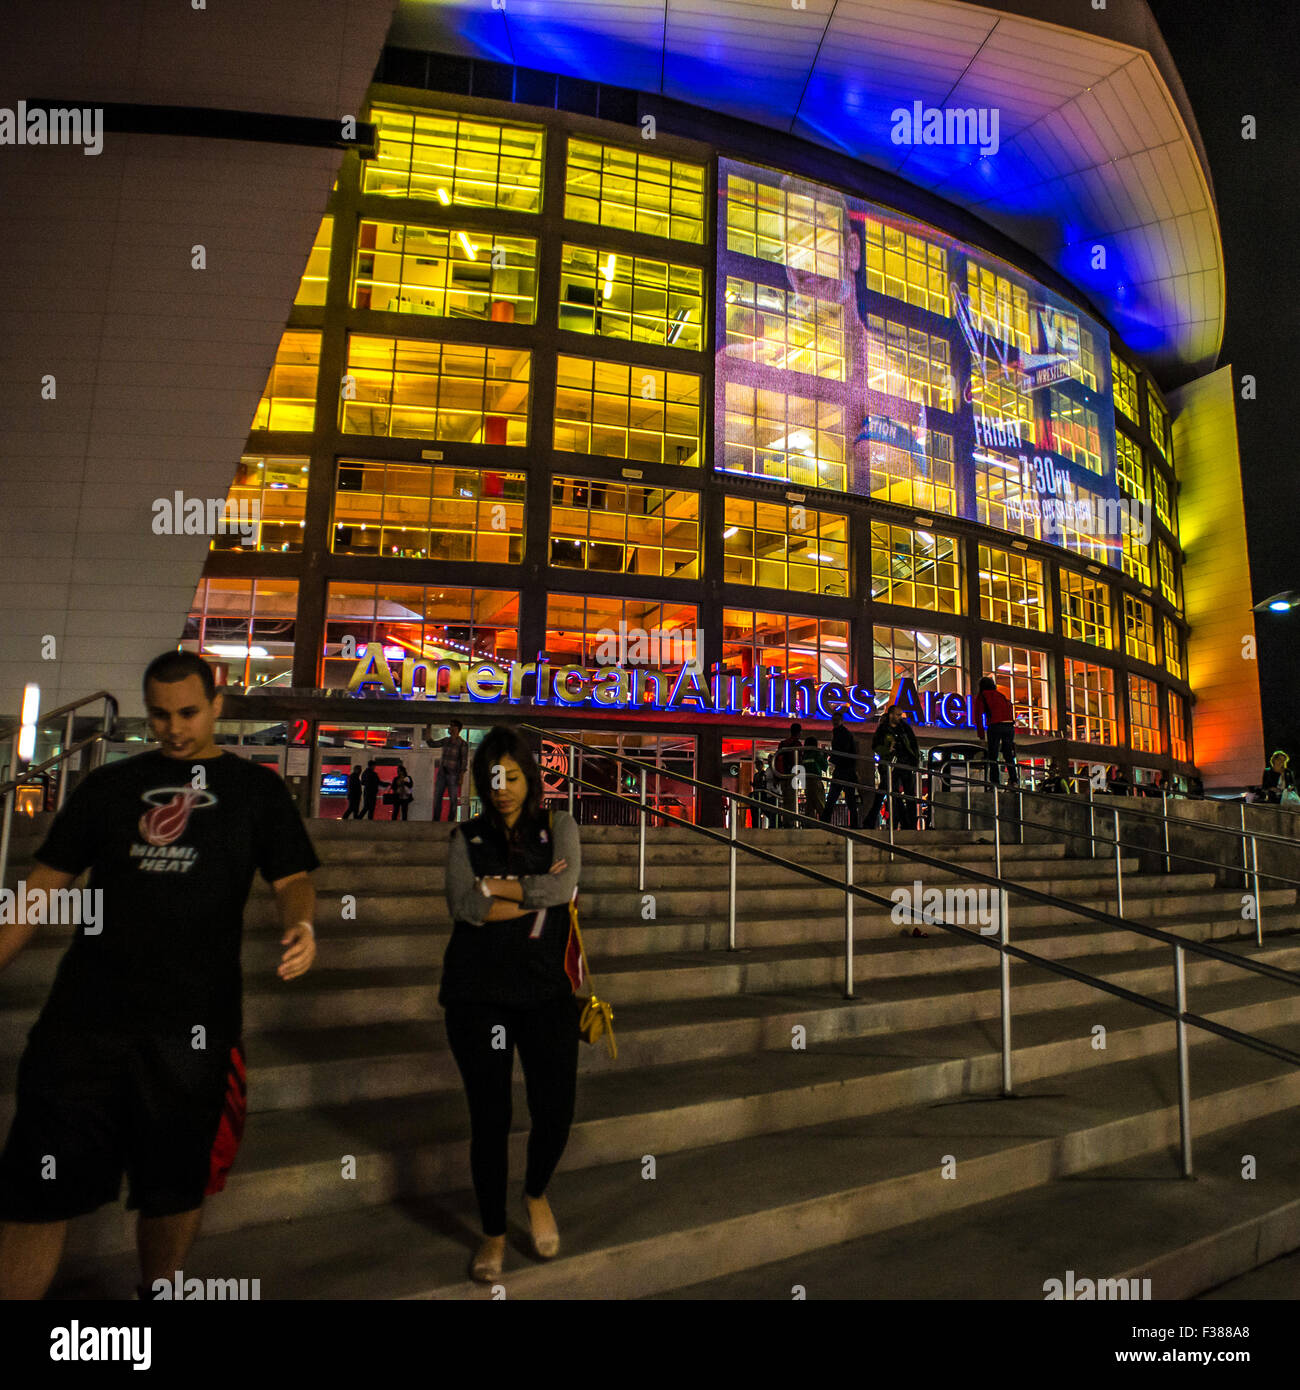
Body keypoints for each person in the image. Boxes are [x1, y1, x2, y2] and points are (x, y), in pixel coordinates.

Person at [0, 650, 319, 1301]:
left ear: (218, 704)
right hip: (83, 1024)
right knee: (37, 1187)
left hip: (192, 1032)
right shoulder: (111, 789)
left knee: (173, 1187)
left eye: (188, 713)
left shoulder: (256, 792)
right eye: (160, 714)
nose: (173, 728)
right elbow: (39, 890)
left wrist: (301, 923)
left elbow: (293, 877)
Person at [441, 724, 582, 1285]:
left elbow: (565, 889)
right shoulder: (466, 838)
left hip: (547, 992)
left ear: (531, 778)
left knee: (555, 1110)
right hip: (478, 997)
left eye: (514, 776)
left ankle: (536, 1192)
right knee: (490, 1119)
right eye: (493, 776)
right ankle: (493, 1232)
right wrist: (530, 892)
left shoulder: (559, 827)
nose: (502, 787)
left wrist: (496, 889)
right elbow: (462, 907)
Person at [867, 704, 921, 830]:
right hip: (891, 765)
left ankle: (910, 824)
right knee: (889, 794)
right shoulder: (883, 729)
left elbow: (913, 745)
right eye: (897, 714)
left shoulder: (905, 728)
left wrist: (914, 761)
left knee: (907, 796)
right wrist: (888, 750)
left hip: (905, 764)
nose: (900, 717)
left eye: (900, 714)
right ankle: (872, 821)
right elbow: (875, 746)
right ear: (891, 715)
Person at [974, 676, 1019, 788]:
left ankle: (995, 781)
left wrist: (981, 735)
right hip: (1009, 725)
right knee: (1008, 754)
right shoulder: (1000, 695)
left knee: (993, 755)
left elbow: (978, 715)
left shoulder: (983, 696)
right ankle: (1014, 779)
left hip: (995, 725)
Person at [820, 709, 860, 829]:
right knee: (849, 798)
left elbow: (842, 750)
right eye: (834, 720)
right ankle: (853, 823)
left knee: (833, 796)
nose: (835, 722)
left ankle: (825, 821)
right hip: (847, 769)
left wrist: (832, 757)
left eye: (836, 720)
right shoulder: (845, 733)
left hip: (843, 769)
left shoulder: (840, 733)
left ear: (841, 721)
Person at [431, 721, 469, 823]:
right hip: (442, 772)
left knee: (453, 799)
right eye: (450, 726)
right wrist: (428, 727)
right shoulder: (446, 741)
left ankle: (450, 821)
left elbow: (464, 761)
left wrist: (461, 776)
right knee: (438, 797)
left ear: (457, 729)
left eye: (452, 726)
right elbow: (432, 743)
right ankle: (436, 820)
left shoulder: (462, 744)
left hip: (453, 774)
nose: (450, 728)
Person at [773, 722, 803, 828]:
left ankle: (786, 821)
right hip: (792, 775)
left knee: (786, 799)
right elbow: (799, 760)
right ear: (799, 732)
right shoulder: (797, 744)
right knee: (792, 799)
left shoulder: (783, 744)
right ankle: (791, 822)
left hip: (782, 775)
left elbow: (777, 759)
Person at [802, 735, 827, 821]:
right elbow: (824, 766)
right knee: (820, 804)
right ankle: (825, 824)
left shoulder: (804, 755)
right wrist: (825, 756)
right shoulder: (816, 753)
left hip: (807, 782)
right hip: (816, 781)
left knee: (809, 805)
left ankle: (809, 825)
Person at [752, 754, 775, 829]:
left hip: (763, 796)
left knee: (767, 811)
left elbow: (764, 784)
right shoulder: (756, 775)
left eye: (759, 764)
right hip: (757, 795)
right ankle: (756, 826)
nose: (757, 766)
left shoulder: (764, 773)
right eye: (756, 764)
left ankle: (773, 825)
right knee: (757, 812)